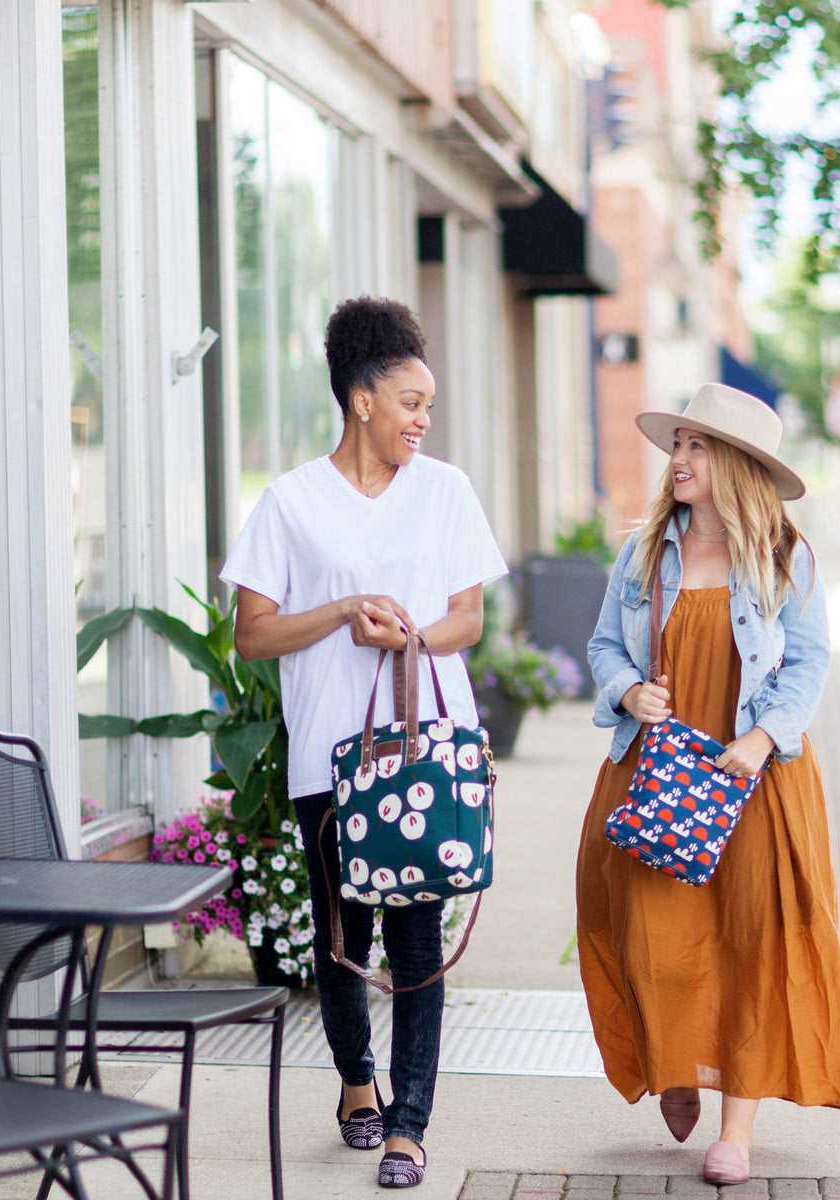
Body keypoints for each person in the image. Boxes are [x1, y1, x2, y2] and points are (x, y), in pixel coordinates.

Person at [221, 296, 507, 1189]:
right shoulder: (291, 503)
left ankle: (409, 1127)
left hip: (424, 749)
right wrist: (344, 610)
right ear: (362, 400)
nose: (424, 419)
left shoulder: (446, 491)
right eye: (412, 401)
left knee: (417, 940)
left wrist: (407, 630)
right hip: (330, 758)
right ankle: (356, 1080)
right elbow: (253, 634)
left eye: (429, 405)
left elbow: (470, 619)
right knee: (343, 936)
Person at [577, 383, 840, 1184]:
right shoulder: (644, 549)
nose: (678, 459)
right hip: (659, 767)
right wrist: (628, 691)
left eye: (697, 446)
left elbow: (808, 663)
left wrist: (762, 735)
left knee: (752, 942)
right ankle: (674, 1066)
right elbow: (606, 646)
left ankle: (735, 1129)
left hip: (755, 776)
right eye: (678, 445)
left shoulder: (784, 555)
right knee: (646, 927)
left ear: (737, 462)